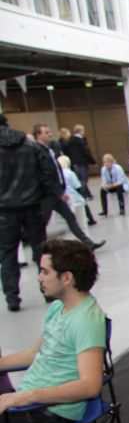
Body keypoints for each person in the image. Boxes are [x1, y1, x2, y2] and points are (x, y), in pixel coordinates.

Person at [0, 239, 106, 423]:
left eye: (45, 272)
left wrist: (28, 396)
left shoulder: (86, 321)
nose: (39, 277)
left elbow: (90, 386)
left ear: (66, 278)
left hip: (50, 414)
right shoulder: (58, 307)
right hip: (31, 403)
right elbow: (34, 355)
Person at [0, 113, 60, 312]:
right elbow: (49, 172)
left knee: (7, 253)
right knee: (40, 250)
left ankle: (12, 298)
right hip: (33, 205)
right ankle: (48, 290)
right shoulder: (31, 146)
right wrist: (42, 195)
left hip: (5, 210)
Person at [32, 124, 103, 251]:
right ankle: (39, 251)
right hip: (47, 195)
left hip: (55, 194)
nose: (50, 134)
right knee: (42, 223)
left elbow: (55, 171)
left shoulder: (49, 149)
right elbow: (46, 174)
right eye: (46, 132)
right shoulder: (38, 151)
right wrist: (58, 191)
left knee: (70, 217)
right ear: (38, 135)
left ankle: (88, 243)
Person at [57, 155, 104, 250]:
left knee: (71, 219)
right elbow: (77, 186)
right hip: (60, 196)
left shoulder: (60, 172)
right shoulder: (69, 173)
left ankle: (88, 243)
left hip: (60, 196)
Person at [63, 124, 97, 206]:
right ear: (80, 131)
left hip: (74, 163)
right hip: (82, 163)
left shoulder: (69, 141)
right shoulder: (81, 141)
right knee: (83, 180)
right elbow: (86, 152)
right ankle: (82, 196)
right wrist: (93, 161)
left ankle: (84, 194)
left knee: (78, 180)